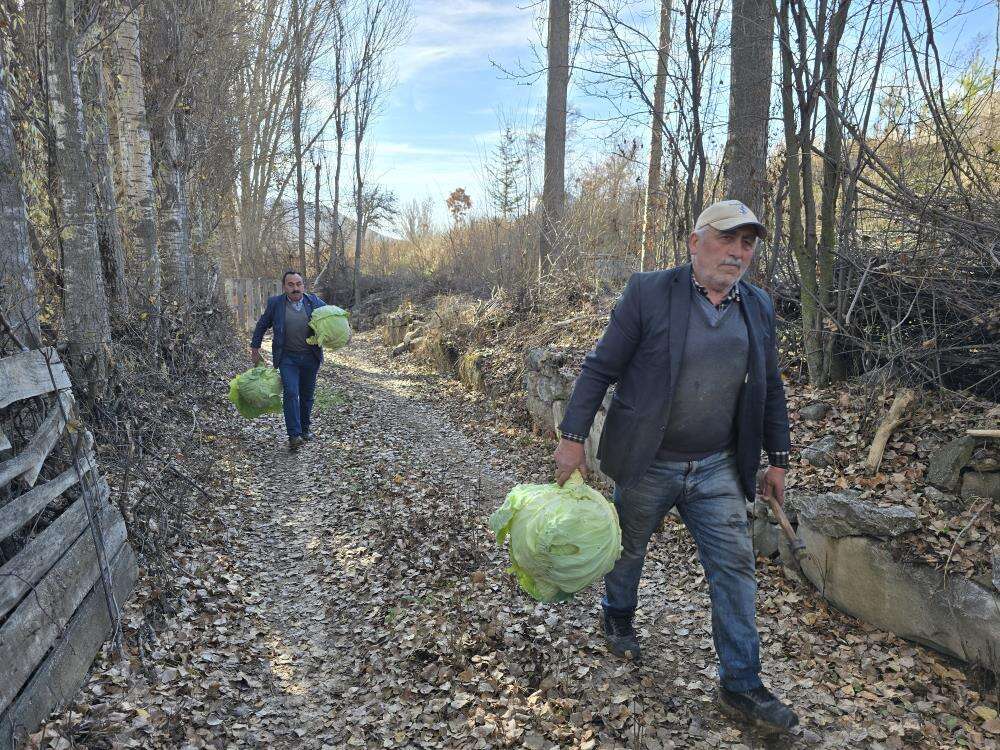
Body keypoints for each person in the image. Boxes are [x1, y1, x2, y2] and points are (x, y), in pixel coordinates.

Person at [553, 199, 798, 733]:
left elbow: (770, 388)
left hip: (717, 466)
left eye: (747, 243)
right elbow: (599, 369)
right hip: (650, 460)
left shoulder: (757, 305)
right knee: (628, 549)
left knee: (735, 568)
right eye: (727, 239)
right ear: (694, 242)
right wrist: (572, 439)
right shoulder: (649, 292)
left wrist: (778, 460)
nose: (737, 253)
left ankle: (741, 683)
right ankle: (618, 615)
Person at [250, 271, 326, 450]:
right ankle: (294, 435)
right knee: (291, 393)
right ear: (284, 287)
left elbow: (332, 316)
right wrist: (255, 348)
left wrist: (343, 331)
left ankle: (305, 429)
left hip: (310, 357)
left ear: (303, 286)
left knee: (307, 396)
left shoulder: (314, 302)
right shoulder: (276, 304)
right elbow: (262, 324)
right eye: (291, 285)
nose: (295, 288)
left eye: (298, 284)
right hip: (287, 358)